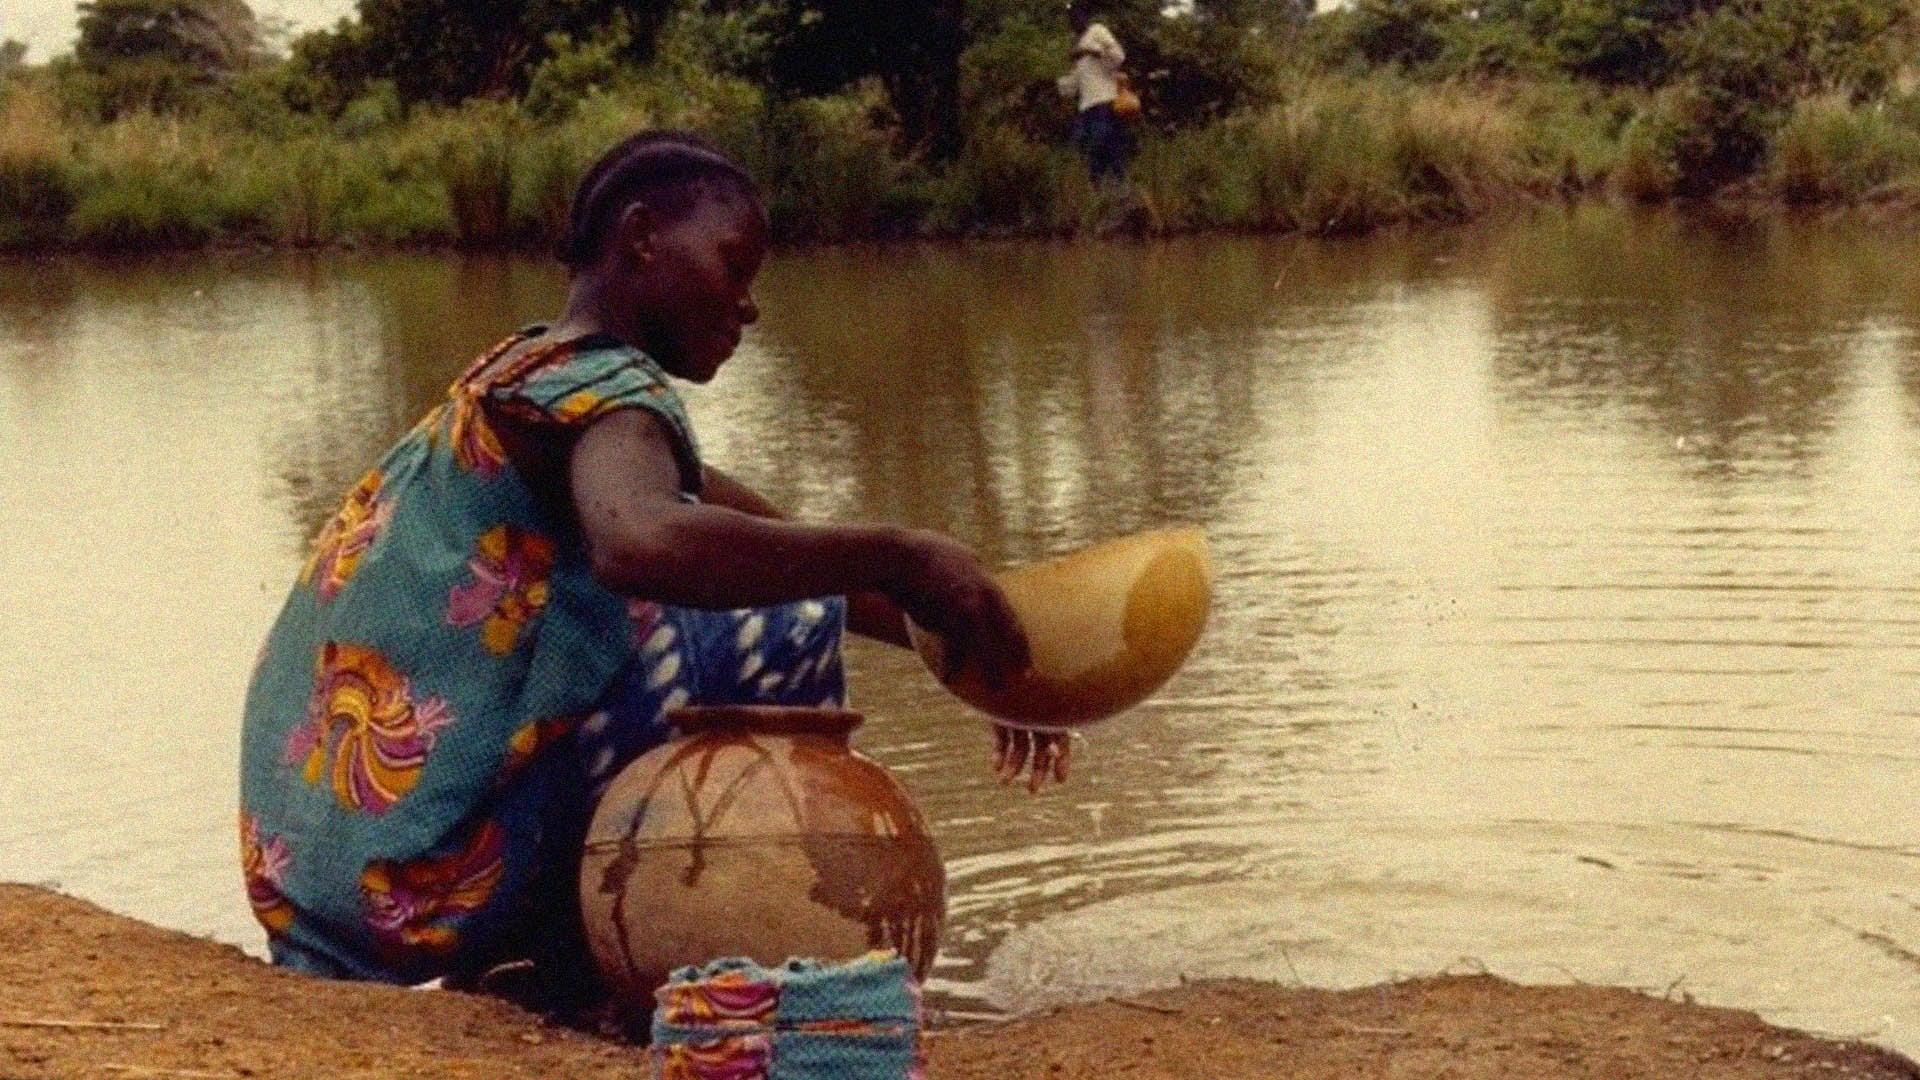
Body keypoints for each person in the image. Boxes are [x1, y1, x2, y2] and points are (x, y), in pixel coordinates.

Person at [238, 131, 1066, 1000]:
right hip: (417, 887)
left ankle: (551, 956)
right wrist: (899, 548)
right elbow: (642, 544)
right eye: (734, 268)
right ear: (639, 237)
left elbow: (770, 545)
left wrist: (970, 654)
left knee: (766, 590)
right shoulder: (615, 395)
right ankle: (708, 958)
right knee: (772, 626)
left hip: (322, 887)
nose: (748, 309)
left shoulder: (531, 371)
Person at [1057, 1, 1130, 184]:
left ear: (1084, 17)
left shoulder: (1097, 31)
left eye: (1076, 16)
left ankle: (1120, 191)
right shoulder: (1077, 46)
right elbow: (1073, 85)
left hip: (1105, 103)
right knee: (1086, 151)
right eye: (1071, 19)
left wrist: (1091, 50)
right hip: (1087, 107)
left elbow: (1118, 56)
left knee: (1105, 148)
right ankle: (1100, 195)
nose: (1074, 22)